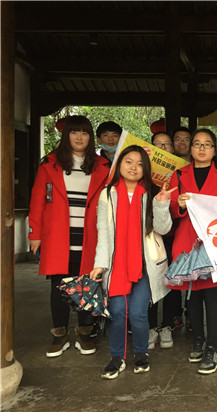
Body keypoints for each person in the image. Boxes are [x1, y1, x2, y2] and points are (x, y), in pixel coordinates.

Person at [28, 115, 110, 358]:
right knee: (59, 287)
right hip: (57, 236)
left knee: (86, 285)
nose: (79, 137)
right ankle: (60, 334)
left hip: (90, 236)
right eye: (74, 132)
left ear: (90, 137)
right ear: (66, 135)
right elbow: (37, 202)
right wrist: (34, 234)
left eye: (84, 133)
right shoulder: (49, 164)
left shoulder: (102, 166)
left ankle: (84, 333)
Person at [90, 145, 174, 379]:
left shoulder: (151, 193)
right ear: (119, 165)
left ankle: (140, 354)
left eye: (139, 164)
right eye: (128, 162)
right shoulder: (107, 194)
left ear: (145, 169)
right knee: (117, 313)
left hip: (144, 265)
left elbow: (163, 229)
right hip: (116, 265)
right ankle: (117, 358)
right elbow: (103, 232)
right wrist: (99, 264)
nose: (134, 167)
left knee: (138, 314)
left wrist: (161, 204)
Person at [167, 129, 217, 375]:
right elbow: (171, 209)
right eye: (197, 144)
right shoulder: (179, 175)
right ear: (191, 149)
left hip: (215, 243)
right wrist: (178, 205)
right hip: (186, 242)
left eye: (207, 144)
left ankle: (212, 347)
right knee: (193, 297)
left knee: (213, 296)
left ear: (214, 150)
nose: (202, 148)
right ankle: (198, 339)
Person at [147, 131, 183, 350]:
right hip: (150, 236)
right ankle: (150, 326)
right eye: (157, 144)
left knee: (172, 279)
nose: (162, 148)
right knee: (150, 280)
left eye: (167, 144)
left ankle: (167, 324)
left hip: (174, 234)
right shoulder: (142, 171)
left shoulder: (181, 172)